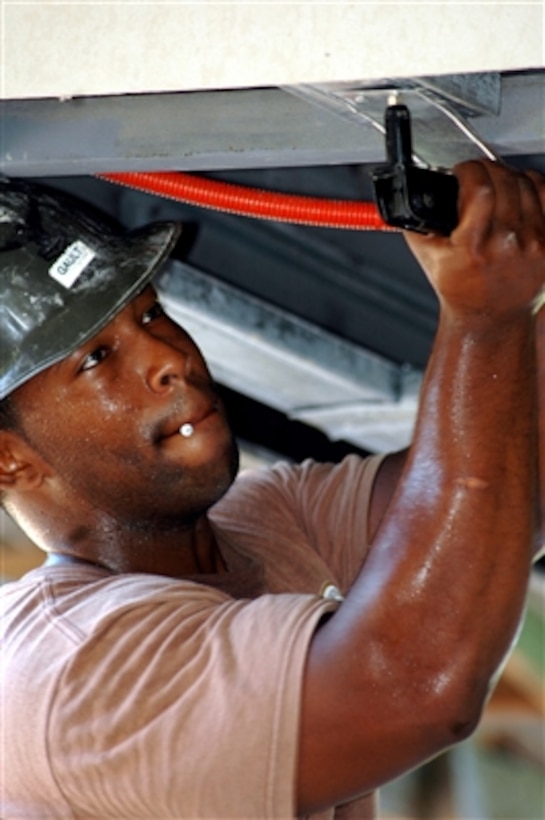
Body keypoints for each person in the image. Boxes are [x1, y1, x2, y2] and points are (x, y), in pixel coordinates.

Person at [0, 160, 544, 819]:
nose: (168, 358)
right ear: (9, 461)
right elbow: (413, 688)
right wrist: (486, 321)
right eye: (95, 359)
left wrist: (511, 274)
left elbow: (512, 484)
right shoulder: (65, 671)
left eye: (150, 315)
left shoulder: (265, 523)